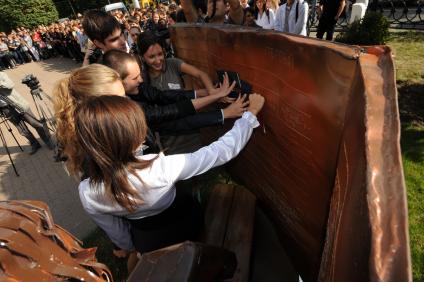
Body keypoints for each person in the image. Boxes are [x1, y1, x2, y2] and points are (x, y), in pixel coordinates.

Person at [76, 93, 264, 256]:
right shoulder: (160, 168)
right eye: (138, 127)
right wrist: (249, 116)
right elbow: (219, 152)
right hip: (185, 224)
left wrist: (133, 247)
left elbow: (119, 235)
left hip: (148, 241)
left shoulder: (87, 192)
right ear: (130, 138)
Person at [102, 49, 249, 154]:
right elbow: (172, 114)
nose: (140, 80)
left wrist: (210, 92)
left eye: (139, 75)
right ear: (117, 80)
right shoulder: (128, 110)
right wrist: (220, 106)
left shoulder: (137, 88)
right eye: (134, 78)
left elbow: (166, 97)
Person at [137, 31, 215, 93]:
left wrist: (212, 90)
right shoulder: (141, 79)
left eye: (160, 54)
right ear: (142, 58)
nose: (158, 61)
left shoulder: (173, 63)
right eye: (151, 57)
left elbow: (201, 74)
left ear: (164, 51)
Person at [0, 71, 53, 154]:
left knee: (35, 123)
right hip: (5, 109)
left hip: (18, 104)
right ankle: (34, 144)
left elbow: (10, 85)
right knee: (22, 130)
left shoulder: (1, 74)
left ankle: (48, 140)